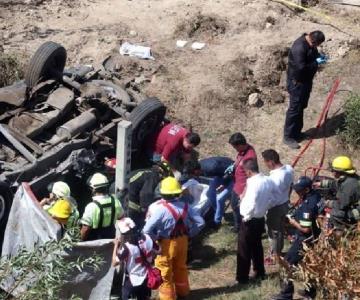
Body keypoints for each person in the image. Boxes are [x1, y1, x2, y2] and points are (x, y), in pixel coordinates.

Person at [143, 177, 205, 300]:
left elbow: (146, 230)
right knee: (181, 267)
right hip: (183, 242)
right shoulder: (186, 207)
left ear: (162, 193)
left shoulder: (160, 209)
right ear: (178, 192)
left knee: (164, 272)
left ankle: (168, 297)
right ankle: (183, 294)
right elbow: (200, 222)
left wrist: (155, 239)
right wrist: (190, 234)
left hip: (165, 244)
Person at [272, 176, 321, 300]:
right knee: (309, 265)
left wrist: (292, 222)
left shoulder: (308, 205)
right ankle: (310, 293)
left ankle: (286, 295)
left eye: (299, 190)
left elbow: (306, 229)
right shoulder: (315, 196)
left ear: (306, 189)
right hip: (314, 239)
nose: (296, 192)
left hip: (304, 240)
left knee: (286, 263)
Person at [283, 30, 327, 149]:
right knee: (294, 109)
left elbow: (313, 54)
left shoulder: (310, 44)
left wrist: (319, 57)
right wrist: (316, 63)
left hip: (305, 82)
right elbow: (301, 69)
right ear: (313, 41)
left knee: (301, 107)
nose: (316, 47)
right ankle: (288, 137)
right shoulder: (299, 48)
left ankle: (297, 133)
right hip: (297, 84)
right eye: (317, 45)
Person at [236, 159, 276, 284]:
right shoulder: (268, 180)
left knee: (244, 249)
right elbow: (271, 199)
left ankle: (242, 277)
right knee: (257, 246)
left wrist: (245, 216)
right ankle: (259, 272)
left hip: (250, 219)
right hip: (259, 218)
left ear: (248, 171)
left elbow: (250, 202)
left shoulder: (253, 183)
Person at [112, 217, 160, 300]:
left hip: (133, 279)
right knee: (144, 297)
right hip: (146, 276)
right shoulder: (147, 238)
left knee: (124, 297)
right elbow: (158, 251)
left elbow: (114, 263)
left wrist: (116, 245)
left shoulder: (127, 248)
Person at [262, 149, 294, 264]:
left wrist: (264, 208)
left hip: (275, 208)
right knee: (280, 229)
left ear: (271, 161)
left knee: (273, 232)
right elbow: (291, 185)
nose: (265, 165)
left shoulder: (273, 179)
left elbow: (270, 198)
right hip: (285, 203)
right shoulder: (289, 169)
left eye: (265, 162)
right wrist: (287, 197)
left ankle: (275, 255)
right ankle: (277, 251)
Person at [127, 162, 173, 227]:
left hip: (127, 195)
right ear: (162, 173)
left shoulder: (148, 172)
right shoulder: (153, 176)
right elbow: (146, 195)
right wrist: (147, 211)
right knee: (134, 226)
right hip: (130, 202)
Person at [319, 156, 360, 229]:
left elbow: (341, 205)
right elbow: (336, 184)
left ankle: (342, 231)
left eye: (333, 170)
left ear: (340, 172)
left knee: (336, 214)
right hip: (353, 204)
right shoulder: (349, 177)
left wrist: (328, 203)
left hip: (357, 211)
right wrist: (321, 183)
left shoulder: (348, 186)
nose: (332, 172)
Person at [80, 173, 123, 241]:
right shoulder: (116, 202)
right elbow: (122, 218)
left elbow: (85, 229)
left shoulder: (91, 207)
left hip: (95, 242)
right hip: (110, 241)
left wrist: (79, 242)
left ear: (93, 189)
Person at [228, 132, 257, 232]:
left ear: (240, 145)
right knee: (234, 206)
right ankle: (239, 225)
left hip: (242, 188)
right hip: (237, 184)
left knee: (238, 208)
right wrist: (234, 166)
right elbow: (239, 159)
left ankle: (240, 227)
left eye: (235, 147)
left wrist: (244, 192)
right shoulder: (243, 151)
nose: (235, 149)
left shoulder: (250, 156)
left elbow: (251, 176)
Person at [199, 156, 234, 228]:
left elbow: (228, 173)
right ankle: (217, 211)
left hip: (233, 175)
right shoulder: (201, 165)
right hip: (221, 173)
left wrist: (223, 185)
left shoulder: (211, 168)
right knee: (210, 194)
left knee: (220, 198)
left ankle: (217, 222)